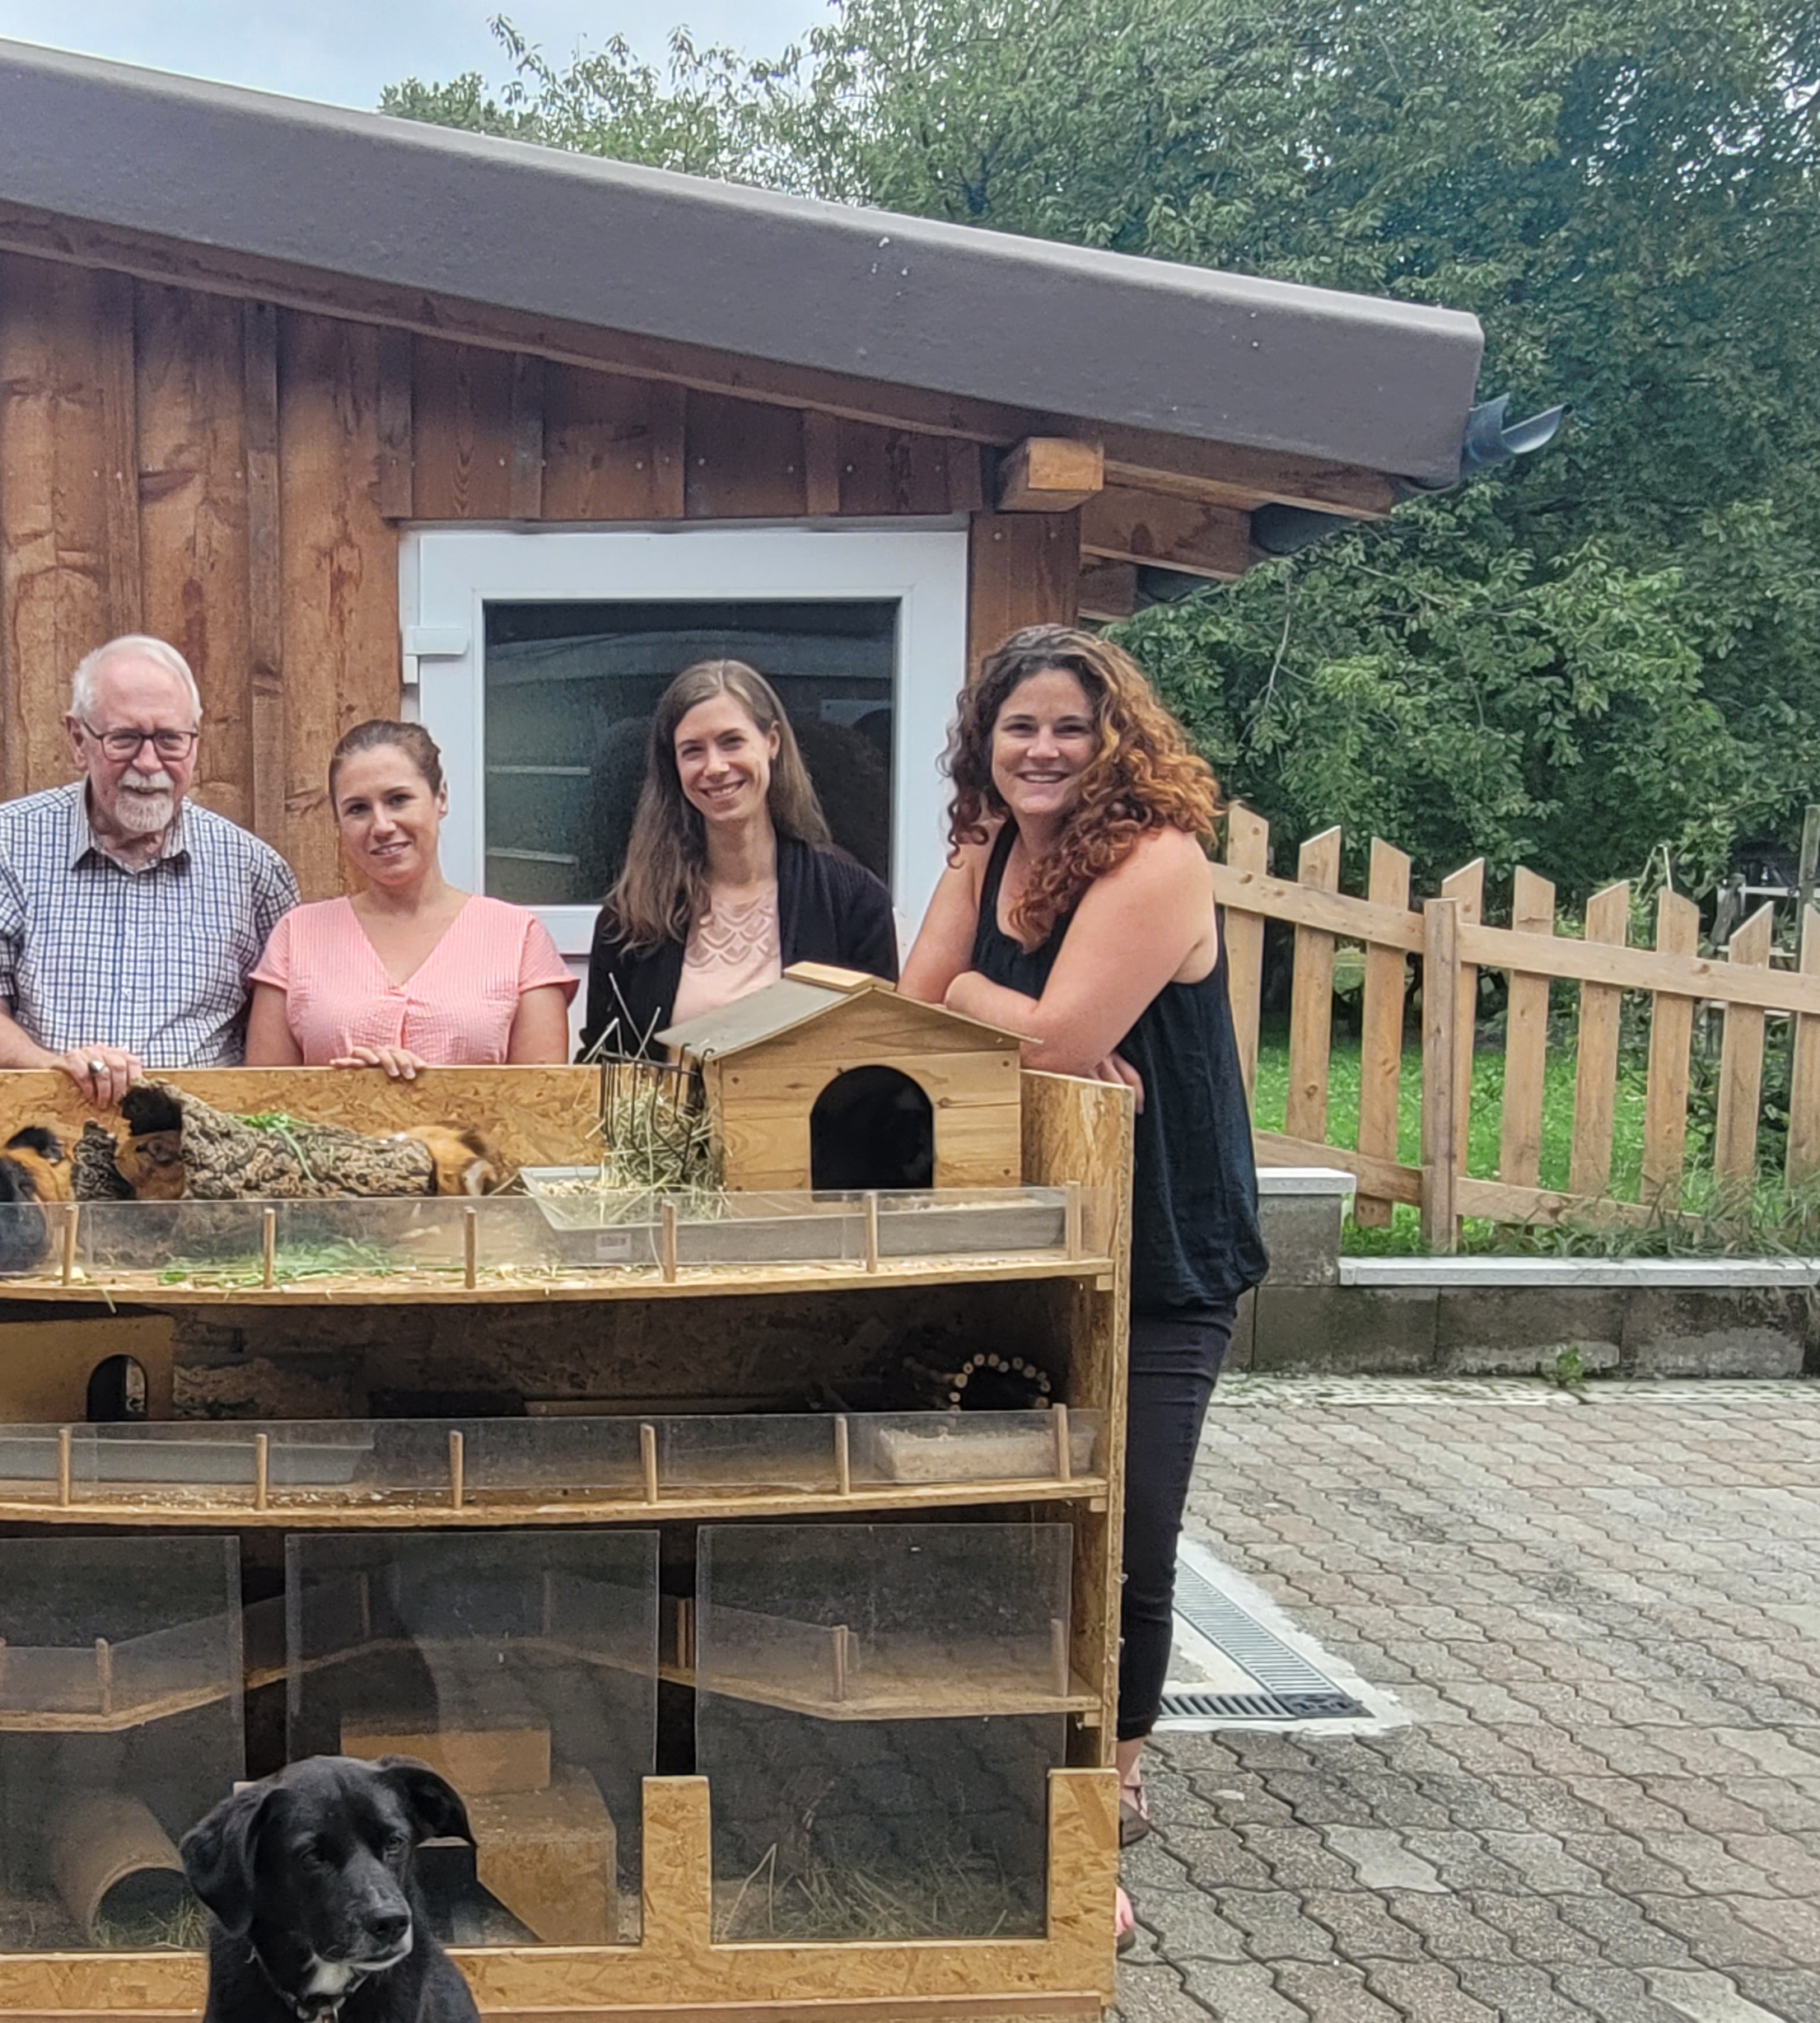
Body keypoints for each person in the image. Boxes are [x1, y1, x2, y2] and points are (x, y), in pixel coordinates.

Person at [897, 624, 1268, 1943]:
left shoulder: (1158, 859)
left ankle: (1108, 1794)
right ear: (984, 743)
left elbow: (1048, 1036)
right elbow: (909, 1007)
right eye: (1019, 726)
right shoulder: (985, 847)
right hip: (1032, 1226)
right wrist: (1002, 1015)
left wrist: (988, 1003)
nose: (1043, 749)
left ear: (1118, 737)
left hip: (1162, 1241)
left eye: (1069, 725)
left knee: (1130, 1526)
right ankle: (1026, 1763)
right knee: (1030, 1511)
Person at [0, 635, 298, 1103]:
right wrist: (54, 1068)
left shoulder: (255, 872)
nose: (149, 763)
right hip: (46, 1126)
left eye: (170, 740)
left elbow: (278, 1044)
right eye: (124, 739)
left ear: (194, 743)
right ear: (79, 740)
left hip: (200, 1136)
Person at [582, 659, 899, 1054]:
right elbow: (602, 1064)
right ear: (674, 766)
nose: (715, 767)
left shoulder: (853, 902)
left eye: (732, 742)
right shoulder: (631, 918)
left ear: (772, 742)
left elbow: (878, 1058)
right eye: (693, 751)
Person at [244, 720, 573, 1079]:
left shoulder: (517, 937)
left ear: (440, 797)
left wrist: (414, 1099)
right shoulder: (297, 936)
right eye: (358, 809)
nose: (382, 826)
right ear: (338, 821)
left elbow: (542, 1100)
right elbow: (263, 1098)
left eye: (398, 800)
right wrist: (348, 1092)